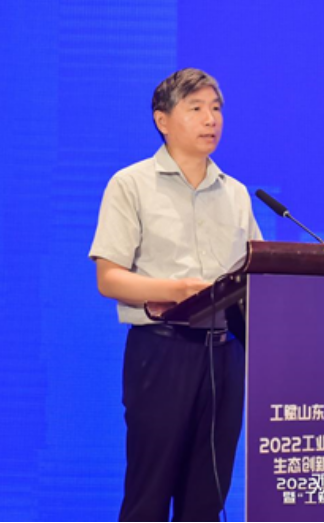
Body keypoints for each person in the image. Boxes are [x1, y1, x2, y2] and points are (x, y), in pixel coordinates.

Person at [89, 68, 262, 521]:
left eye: (216, 109)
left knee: (207, 500)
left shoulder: (237, 194)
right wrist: (177, 289)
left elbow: (258, 275)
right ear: (162, 120)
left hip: (225, 355)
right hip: (161, 353)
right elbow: (109, 278)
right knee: (148, 497)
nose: (211, 119)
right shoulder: (130, 184)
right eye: (196, 108)